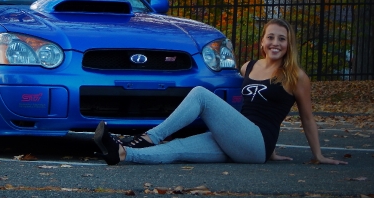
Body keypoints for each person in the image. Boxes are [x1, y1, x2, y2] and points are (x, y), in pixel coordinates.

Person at [94, 18, 348, 166]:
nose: (275, 43)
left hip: (257, 143)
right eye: (271, 37)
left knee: (201, 95)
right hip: (239, 139)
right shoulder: (249, 67)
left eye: (282, 39)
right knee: (180, 148)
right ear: (262, 42)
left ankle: (149, 136)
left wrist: (319, 155)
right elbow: (249, 109)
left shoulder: (296, 76)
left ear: (289, 44)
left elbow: (307, 118)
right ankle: (124, 154)